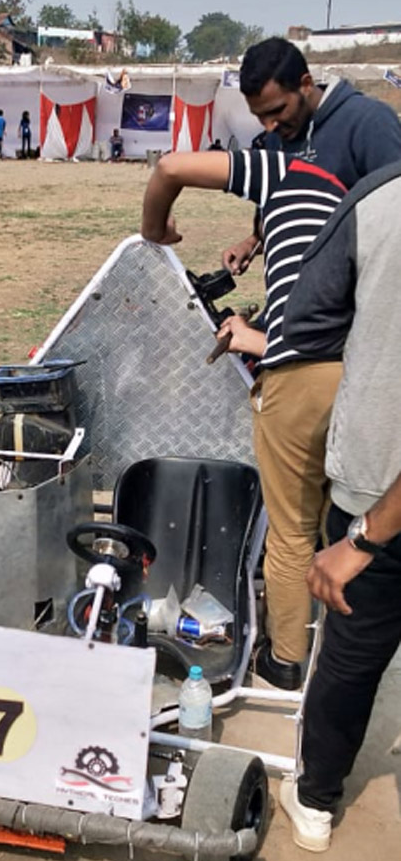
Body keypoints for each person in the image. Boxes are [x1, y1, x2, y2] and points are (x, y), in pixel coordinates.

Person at [142, 146, 346, 689]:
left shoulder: (286, 167)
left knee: (291, 529)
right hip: (362, 377)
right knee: (339, 522)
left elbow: (171, 167)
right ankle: (337, 649)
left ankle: (285, 661)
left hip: (303, 377)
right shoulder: (357, 188)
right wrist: (254, 243)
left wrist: (155, 232)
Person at [276, 158, 401, 851]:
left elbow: (309, 319)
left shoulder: (378, 198)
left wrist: (364, 539)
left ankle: (316, 800)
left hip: (376, 489)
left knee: (351, 653)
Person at [222, 37, 401, 276]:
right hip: (296, 293)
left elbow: (394, 220)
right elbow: (286, 215)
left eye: (277, 110)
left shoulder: (369, 122)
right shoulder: (276, 136)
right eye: (260, 116)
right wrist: (253, 242)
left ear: (306, 84)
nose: (269, 126)